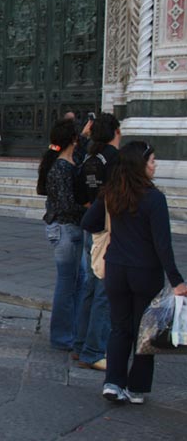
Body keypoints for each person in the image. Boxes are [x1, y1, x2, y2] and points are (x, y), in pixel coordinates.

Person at [82, 141, 187, 404]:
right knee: (145, 331)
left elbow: (88, 222)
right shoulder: (154, 198)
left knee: (119, 328)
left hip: (116, 268)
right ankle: (137, 388)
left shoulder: (111, 193)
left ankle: (113, 383)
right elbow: (162, 244)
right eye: (152, 160)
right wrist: (177, 281)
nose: (155, 164)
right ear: (140, 165)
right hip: (144, 272)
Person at [71, 113, 121, 372]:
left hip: (92, 227)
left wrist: (93, 208)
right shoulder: (115, 160)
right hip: (108, 230)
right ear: (116, 131)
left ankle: (80, 346)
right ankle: (93, 350)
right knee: (103, 290)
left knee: (90, 288)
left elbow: (81, 191)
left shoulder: (90, 157)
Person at [36, 119, 86, 351]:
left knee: (77, 282)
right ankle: (62, 335)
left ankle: (72, 332)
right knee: (67, 285)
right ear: (72, 140)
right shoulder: (61, 168)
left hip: (68, 229)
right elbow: (66, 205)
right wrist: (88, 208)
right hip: (65, 229)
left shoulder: (64, 163)